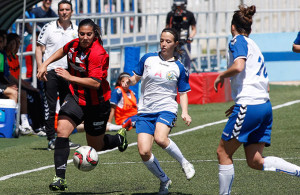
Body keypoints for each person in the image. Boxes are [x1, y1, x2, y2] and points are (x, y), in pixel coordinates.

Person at [213, 5, 300, 195]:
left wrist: (221, 76)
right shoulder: (255, 46)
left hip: (250, 105)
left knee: (223, 152)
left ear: (232, 26)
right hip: (263, 106)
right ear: (250, 28)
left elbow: (238, 66)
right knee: (255, 161)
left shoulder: (237, 41)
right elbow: (264, 84)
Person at [37, 18, 129, 191]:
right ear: (77, 33)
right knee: (62, 130)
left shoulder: (97, 53)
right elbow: (62, 50)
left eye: (89, 34)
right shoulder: (74, 44)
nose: (85, 37)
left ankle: (118, 138)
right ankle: (60, 178)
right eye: (82, 34)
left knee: (96, 146)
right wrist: (44, 64)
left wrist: (69, 77)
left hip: (97, 103)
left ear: (94, 34)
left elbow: (95, 83)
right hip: (77, 98)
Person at [122, 28, 195, 194]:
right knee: (144, 151)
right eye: (162, 40)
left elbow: (182, 93)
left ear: (175, 44)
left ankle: (184, 163)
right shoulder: (148, 58)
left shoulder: (179, 67)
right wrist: (129, 81)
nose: (163, 44)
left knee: (161, 139)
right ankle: (164, 180)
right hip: (146, 110)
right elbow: (136, 77)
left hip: (166, 109)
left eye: (168, 41)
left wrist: (185, 111)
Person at [35, 0, 80, 150]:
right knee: (50, 105)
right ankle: (50, 139)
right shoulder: (48, 27)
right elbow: (39, 48)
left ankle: (64, 138)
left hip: (68, 72)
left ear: (71, 12)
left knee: (67, 106)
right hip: (51, 71)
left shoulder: (77, 30)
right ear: (58, 11)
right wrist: (41, 66)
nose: (64, 12)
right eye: (61, 10)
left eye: (67, 9)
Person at [4, 33, 45, 135]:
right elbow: (9, 77)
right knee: (27, 94)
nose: (18, 45)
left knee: (36, 93)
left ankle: (39, 125)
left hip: (16, 84)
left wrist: (28, 85)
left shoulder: (14, 57)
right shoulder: (5, 57)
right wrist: (25, 86)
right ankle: (26, 124)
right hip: (9, 85)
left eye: (19, 43)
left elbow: (18, 77)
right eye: (16, 43)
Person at [166, 0, 196, 71]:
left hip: (185, 42)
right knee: (172, 61)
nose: (178, 9)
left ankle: (185, 76)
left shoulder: (189, 15)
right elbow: (167, 28)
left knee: (185, 62)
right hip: (173, 43)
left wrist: (190, 37)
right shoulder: (171, 15)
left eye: (180, 7)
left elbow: (194, 29)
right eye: (177, 7)